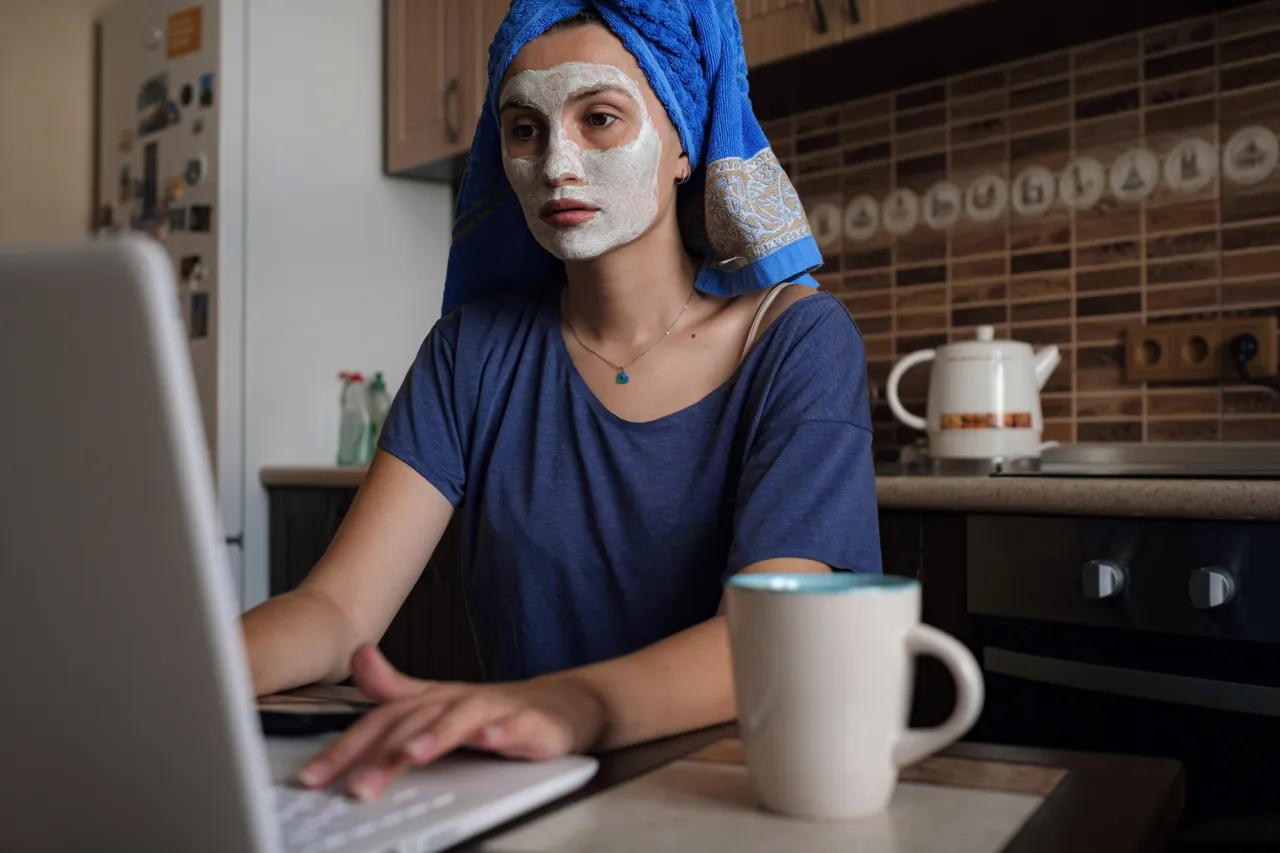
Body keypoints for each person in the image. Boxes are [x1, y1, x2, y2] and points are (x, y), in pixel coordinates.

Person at [239, 0, 881, 803]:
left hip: (734, 802)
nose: (555, 163)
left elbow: (769, 639)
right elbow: (336, 608)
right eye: (524, 129)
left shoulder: (796, 343)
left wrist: (570, 705)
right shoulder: (468, 353)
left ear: (686, 138)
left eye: (600, 118)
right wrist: (195, 663)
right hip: (525, 790)